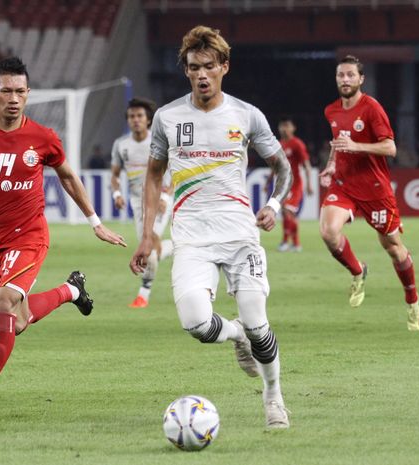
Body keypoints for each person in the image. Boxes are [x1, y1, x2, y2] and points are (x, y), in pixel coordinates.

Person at [0, 57, 126, 420]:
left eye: (20, 91)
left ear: (28, 94)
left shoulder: (43, 138)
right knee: (16, 321)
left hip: (30, 236)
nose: (13, 98)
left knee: (5, 303)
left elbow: (68, 177)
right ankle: (72, 291)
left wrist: (95, 222)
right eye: (6, 91)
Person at [129, 26, 292, 429]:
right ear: (185, 70)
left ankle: (274, 399)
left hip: (240, 236)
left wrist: (273, 204)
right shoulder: (167, 117)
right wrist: (149, 233)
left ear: (224, 67)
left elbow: (282, 168)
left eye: (209, 66)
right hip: (192, 240)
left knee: (260, 323)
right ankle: (235, 335)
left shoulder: (247, 114)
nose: (201, 74)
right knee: (197, 324)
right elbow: (153, 176)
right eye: (194, 67)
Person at [319, 55, 419, 331]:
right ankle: (358, 270)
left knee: (393, 248)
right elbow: (338, 142)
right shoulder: (331, 110)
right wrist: (331, 165)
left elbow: (390, 148)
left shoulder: (372, 108)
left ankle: (413, 301)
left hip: (375, 190)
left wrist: (357, 147)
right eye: (341, 75)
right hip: (343, 185)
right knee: (329, 232)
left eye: (350, 75)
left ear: (361, 79)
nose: (345, 80)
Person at [111, 97, 173, 308]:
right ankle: (175, 247)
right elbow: (115, 174)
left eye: (139, 116)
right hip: (137, 201)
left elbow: (173, 171)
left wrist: (165, 196)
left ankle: (143, 293)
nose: (135, 120)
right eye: (131, 116)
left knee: (150, 241)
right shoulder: (121, 145)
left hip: (159, 197)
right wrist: (117, 194)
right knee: (150, 247)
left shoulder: (158, 141)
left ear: (148, 120)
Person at [272, 116, 313, 252]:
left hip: (295, 184)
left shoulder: (297, 144)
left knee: (287, 211)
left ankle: (288, 242)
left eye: (287, 126)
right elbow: (276, 166)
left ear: (293, 128)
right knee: (286, 214)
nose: (284, 129)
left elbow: (306, 164)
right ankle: (294, 243)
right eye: (282, 126)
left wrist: (309, 184)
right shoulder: (279, 144)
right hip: (283, 183)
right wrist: (268, 182)